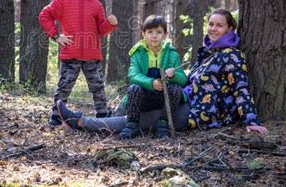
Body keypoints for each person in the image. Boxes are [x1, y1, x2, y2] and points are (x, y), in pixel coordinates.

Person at [56, 9, 268, 137]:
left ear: (230, 30)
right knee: (135, 95)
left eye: (219, 26)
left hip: (197, 113)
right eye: (211, 24)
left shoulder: (231, 55)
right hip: (182, 100)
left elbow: (241, 88)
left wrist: (251, 121)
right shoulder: (210, 53)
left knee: (142, 118)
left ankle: (81, 122)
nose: (213, 29)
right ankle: (107, 119)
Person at [39, 0, 118, 127]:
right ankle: (56, 115)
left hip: (92, 54)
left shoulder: (95, 3)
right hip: (70, 53)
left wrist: (110, 24)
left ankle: (103, 113)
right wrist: (56, 36)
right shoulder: (62, 0)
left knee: (97, 86)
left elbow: (101, 30)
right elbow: (44, 15)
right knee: (64, 85)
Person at [118, 15, 188, 139]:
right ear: (143, 34)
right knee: (134, 88)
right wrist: (151, 83)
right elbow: (133, 75)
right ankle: (132, 125)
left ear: (165, 35)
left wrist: (173, 75)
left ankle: (163, 124)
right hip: (144, 97)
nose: (154, 36)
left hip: (164, 98)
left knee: (176, 89)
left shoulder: (172, 54)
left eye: (159, 32)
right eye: (150, 32)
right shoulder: (137, 53)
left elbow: (183, 79)